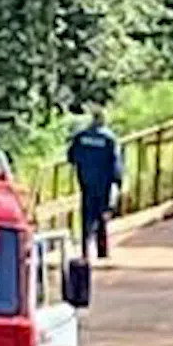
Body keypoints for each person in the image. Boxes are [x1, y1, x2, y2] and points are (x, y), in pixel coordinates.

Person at [67, 108, 123, 259]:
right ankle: (102, 251)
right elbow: (116, 164)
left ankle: (85, 250)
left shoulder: (80, 137)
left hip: (86, 182)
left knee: (86, 215)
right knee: (102, 215)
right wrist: (118, 182)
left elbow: (71, 157)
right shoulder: (110, 139)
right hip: (103, 183)